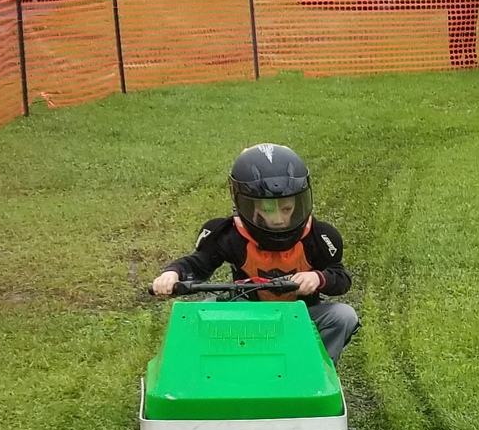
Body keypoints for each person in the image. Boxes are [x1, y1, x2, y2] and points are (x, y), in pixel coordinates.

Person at [149, 144, 359, 361]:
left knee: (343, 316)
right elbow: (198, 264)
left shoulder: (320, 236)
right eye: (267, 209)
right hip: (245, 312)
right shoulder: (228, 234)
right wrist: (172, 273)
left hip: (301, 315)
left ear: (299, 202)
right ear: (248, 205)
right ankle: (212, 372)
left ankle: (319, 371)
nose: (278, 219)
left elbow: (341, 278)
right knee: (199, 314)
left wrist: (318, 277)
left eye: (287, 209)